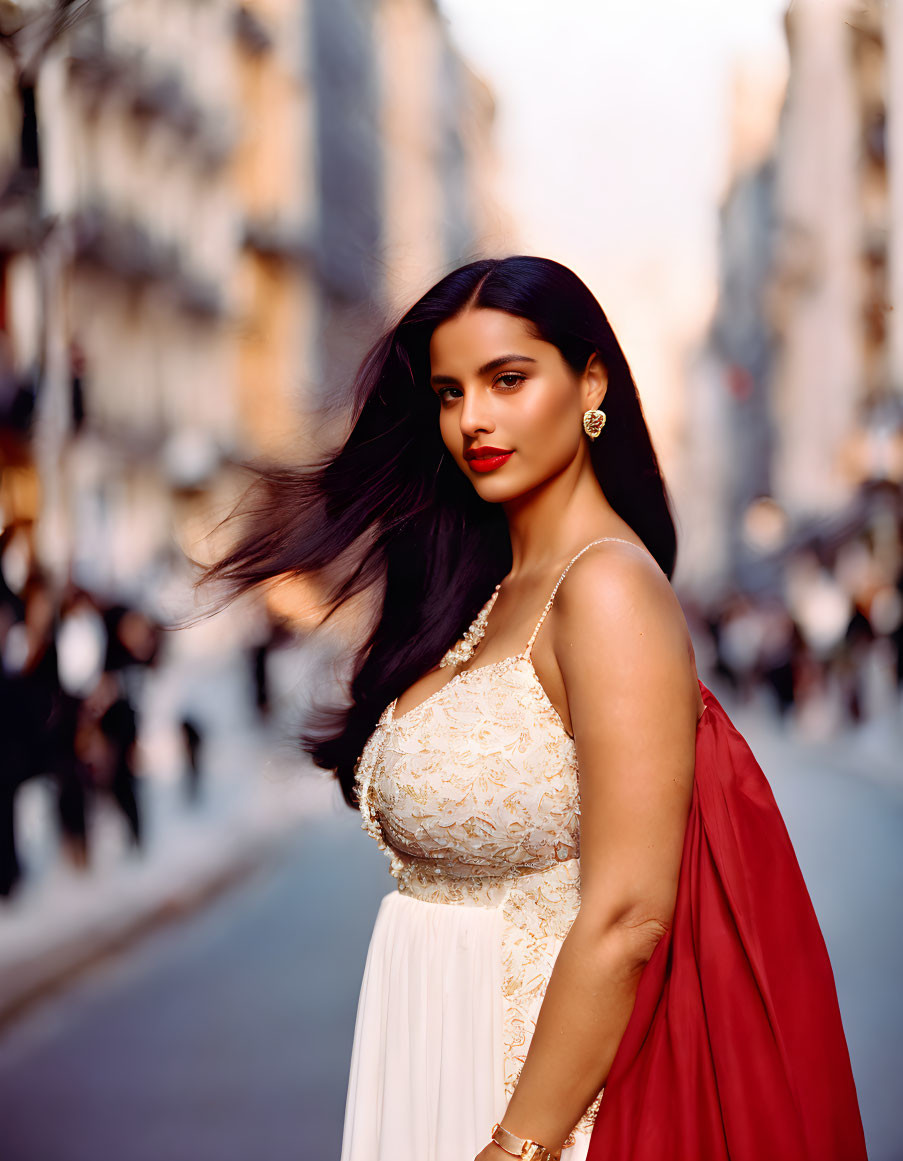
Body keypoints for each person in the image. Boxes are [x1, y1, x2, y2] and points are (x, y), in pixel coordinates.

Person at [196, 256, 868, 1161]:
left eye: (507, 380)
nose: (472, 418)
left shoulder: (608, 589)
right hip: (430, 1058)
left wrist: (518, 1145)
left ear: (590, 381)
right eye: (448, 392)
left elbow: (630, 912)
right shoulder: (490, 588)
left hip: (535, 1101)